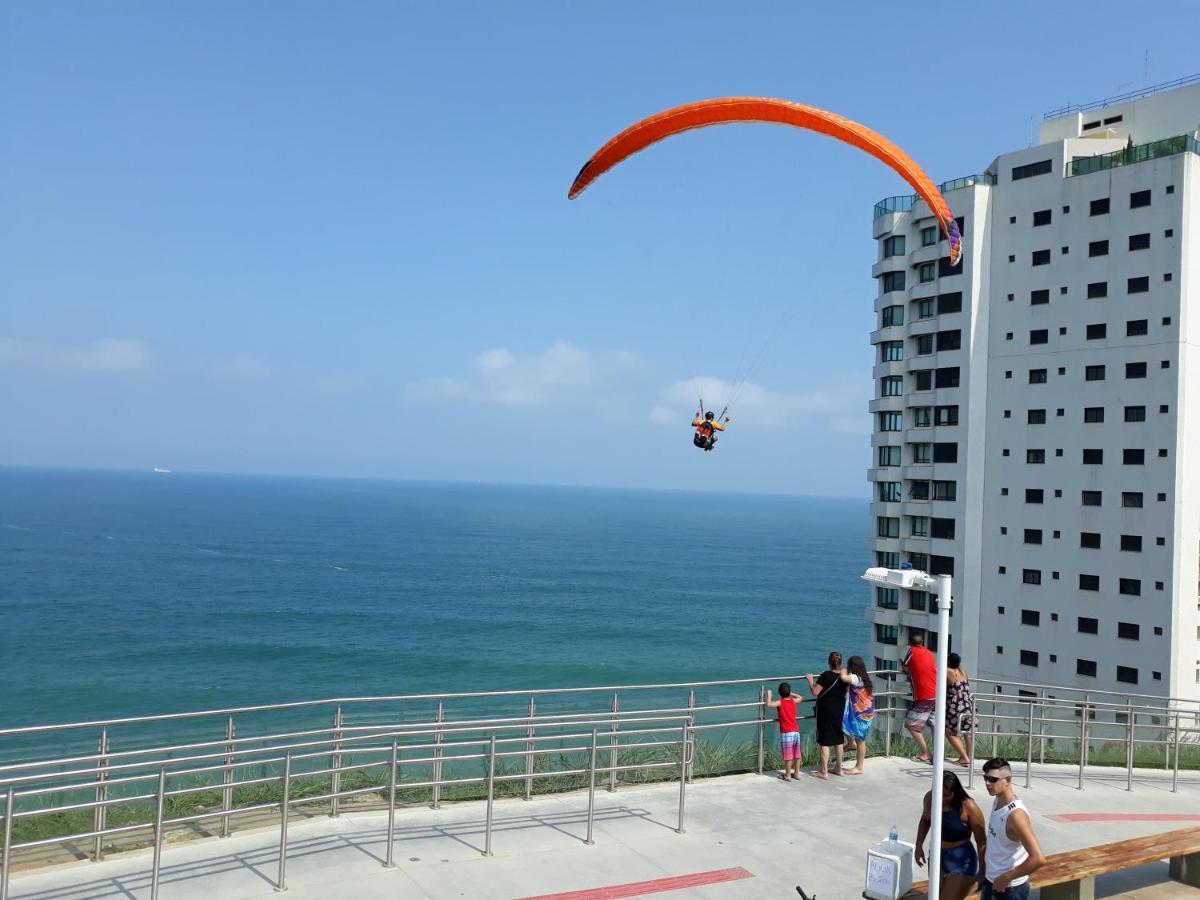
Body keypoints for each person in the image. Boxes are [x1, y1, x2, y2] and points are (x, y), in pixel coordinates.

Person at [914, 771, 987, 900]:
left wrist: (982, 872)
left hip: (962, 859)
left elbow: (981, 841)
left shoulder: (968, 806)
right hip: (938, 855)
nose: (941, 799)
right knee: (934, 897)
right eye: (939, 794)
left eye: (946, 795)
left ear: (955, 792)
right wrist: (919, 845)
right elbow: (925, 820)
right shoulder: (930, 798)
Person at [979, 757, 1045, 898]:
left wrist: (1007, 877)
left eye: (993, 779)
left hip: (1010, 889)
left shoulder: (1016, 816)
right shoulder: (997, 800)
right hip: (991, 881)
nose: (987, 783)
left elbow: (1038, 858)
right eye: (985, 778)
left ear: (1007, 781)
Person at [805, 652, 847, 779]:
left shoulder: (825, 676)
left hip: (825, 711)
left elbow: (815, 692)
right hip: (839, 709)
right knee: (839, 740)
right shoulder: (844, 676)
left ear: (829, 662)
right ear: (840, 663)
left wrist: (810, 681)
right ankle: (839, 768)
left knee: (825, 741)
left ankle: (824, 771)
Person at [900, 631, 937, 763]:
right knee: (934, 724)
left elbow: (904, 666)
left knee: (911, 725)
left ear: (910, 643)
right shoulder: (929, 653)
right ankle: (937, 755)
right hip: (936, 693)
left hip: (923, 694)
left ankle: (926, 753)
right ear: (922, 642)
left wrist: (905, 667)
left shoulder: (911, 651)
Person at [839, 656, 875, 775]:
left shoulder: (856, 678)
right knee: (845, 724)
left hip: (861, 714)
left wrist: (843, 669)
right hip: (866, 712)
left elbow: (843, 678)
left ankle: (859, 767)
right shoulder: (864, 677)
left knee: (861, 740)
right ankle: (851, 743)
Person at [764, 682, 803, 780]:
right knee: (797, 754)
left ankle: (788, 775)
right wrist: (791, 693)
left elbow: (769, 704)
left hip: (786, 732)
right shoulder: (793, 701)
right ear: (789, 692)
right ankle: (797, 773)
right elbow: (801, 697)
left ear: (779, 693)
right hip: (795, 731)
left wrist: (769, 695)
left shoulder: (780, 702)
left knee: (788, 755)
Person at [945, 652, 976, 767]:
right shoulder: (962, 671)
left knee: (949, 732)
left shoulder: (948, 672)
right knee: (967, 733)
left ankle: (964, 757)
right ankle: (968, 757)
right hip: (968, 705)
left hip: (955, 706)